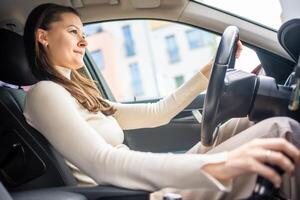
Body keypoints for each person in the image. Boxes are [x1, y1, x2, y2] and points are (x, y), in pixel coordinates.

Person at [22, 3, 300, 200]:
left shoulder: (80, 95)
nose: (83, 41)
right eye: (73, 32)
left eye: (84, 34)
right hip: (136, 194)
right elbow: (102, 162)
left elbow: (158, 112)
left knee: (244, 122)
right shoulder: (44, 93)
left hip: (139, 187)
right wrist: (221, 163)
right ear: (43, 36)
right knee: (281, 133)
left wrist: (207, 73)